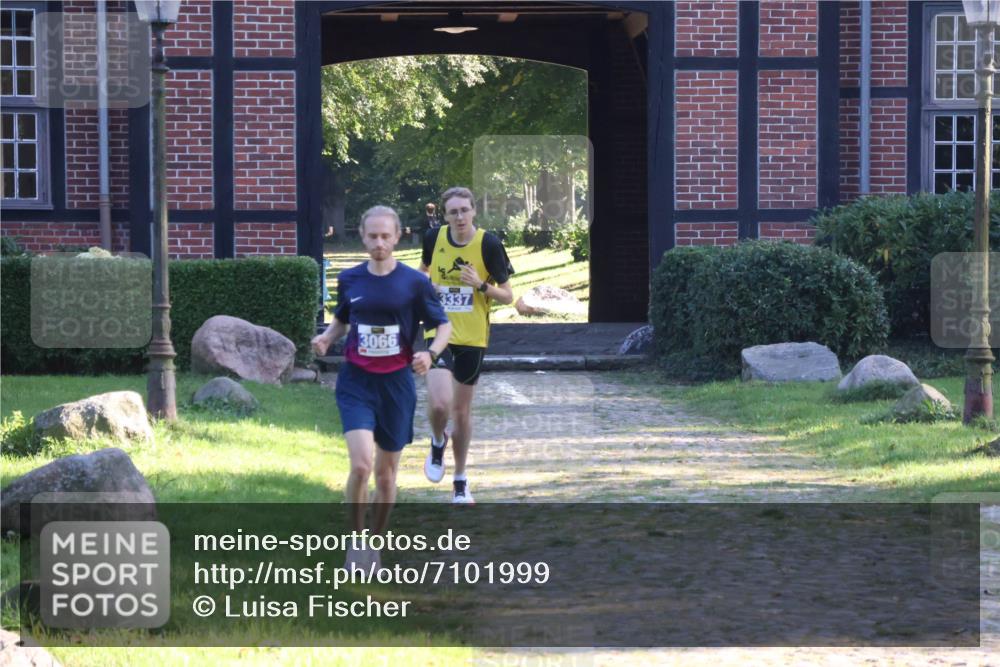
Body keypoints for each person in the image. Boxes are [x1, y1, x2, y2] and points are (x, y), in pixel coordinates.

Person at [312, 205, 452, 570]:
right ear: (362, 236)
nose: (378, 243)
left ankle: (376, 541)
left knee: (386, 475)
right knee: (360, 466)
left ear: (397, 235)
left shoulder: (414, 283)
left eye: (385, 236)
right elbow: (343, 318)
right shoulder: (350, 279)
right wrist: (327, 338)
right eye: (372, 236)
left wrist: (430, 354)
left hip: (396, 385)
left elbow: (443, 325)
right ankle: (356, 543)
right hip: (356, 381)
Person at [418, 187, 514, 504]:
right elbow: (423, 273)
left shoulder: (488, 243)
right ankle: (436, 440)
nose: (459, 217)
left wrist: (480, 285)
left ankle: (460, 479)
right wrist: (424, 288)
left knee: (461, 412)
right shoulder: (434, 239)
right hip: (438, 331)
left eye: (464, 210)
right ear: (445, 216)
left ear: (474, 211)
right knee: (440, 404)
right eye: (453, 212)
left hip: (473, 337)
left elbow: (508, 295)